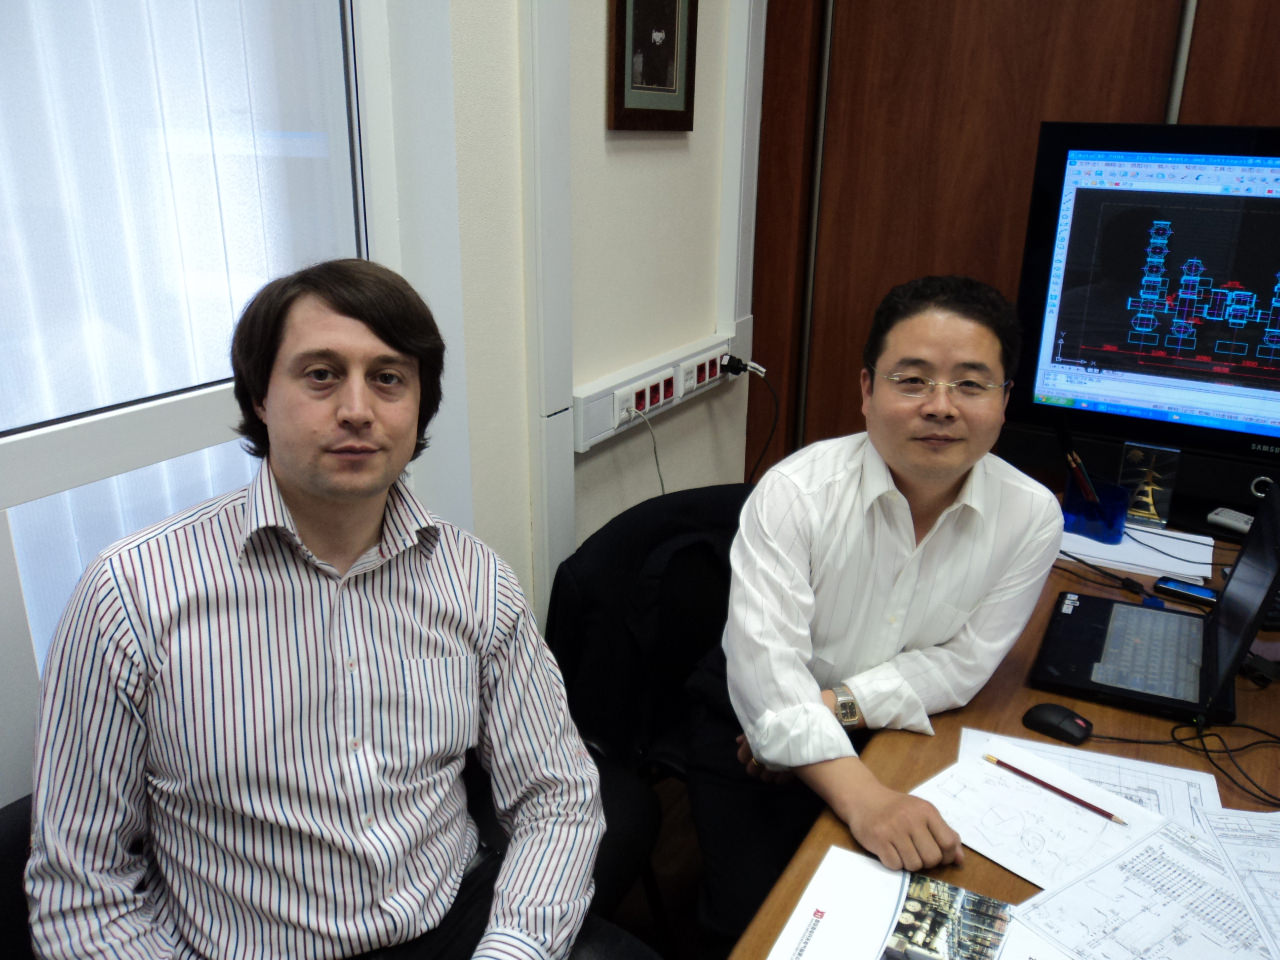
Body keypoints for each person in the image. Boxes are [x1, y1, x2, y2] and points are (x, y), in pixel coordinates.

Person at [26, 259, 655, 960]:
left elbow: (557, 795)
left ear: (419, 405)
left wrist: (513, 949)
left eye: (388, 378)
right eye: (321, 374)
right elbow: (82, 888)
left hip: (454, 922)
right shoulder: (129, 595)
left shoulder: (475, 581)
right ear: (260, 397)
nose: (357, 409)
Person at [685, 275, 1064, 954]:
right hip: (747, 718)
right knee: (759, 925)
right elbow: (769, 690)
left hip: (880, 722)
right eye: (912, 381)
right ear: (866, 390)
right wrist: (865, 799)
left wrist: (832, 709)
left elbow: (964, 664)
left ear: (1005, 401)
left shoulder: (1031, 516)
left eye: (970, 384)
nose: (940, 407)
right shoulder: (795, 493)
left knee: (940, 914)